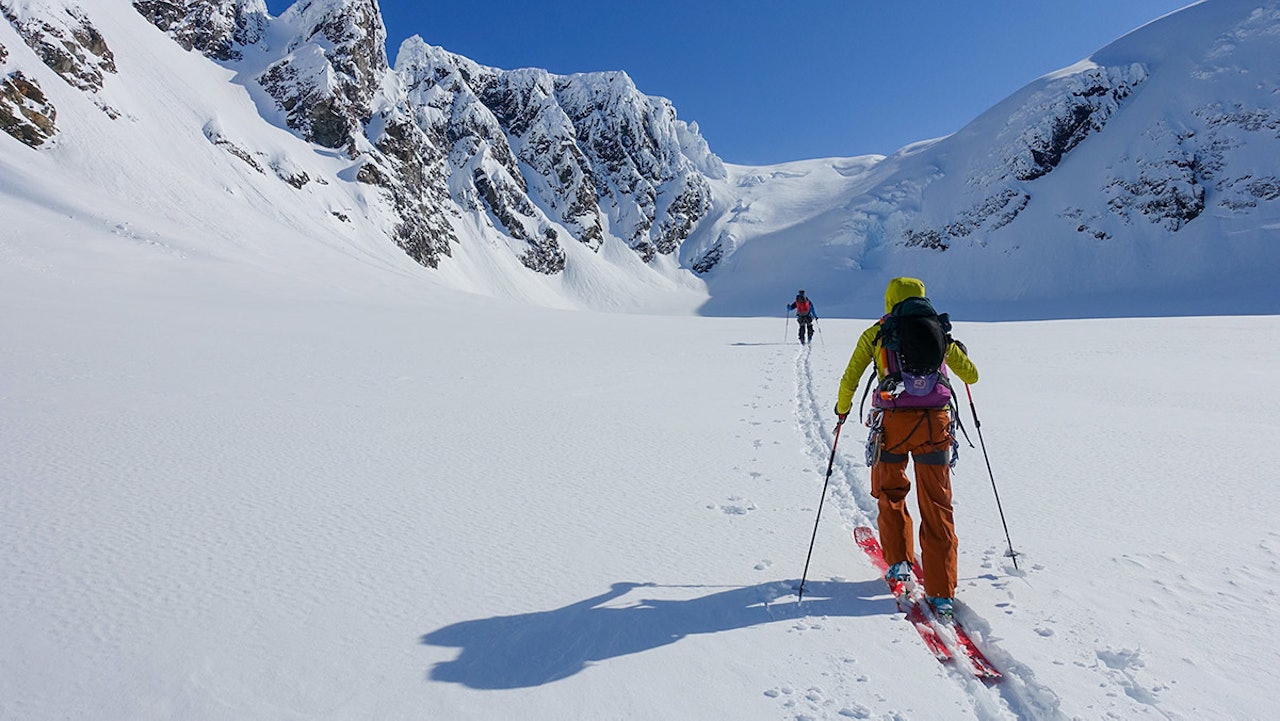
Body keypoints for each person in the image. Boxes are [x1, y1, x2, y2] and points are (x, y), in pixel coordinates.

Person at [833, 277, 978, 616]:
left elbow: (850, 377)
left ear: (890, 300)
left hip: (892, 424)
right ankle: (942, 592)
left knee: (891, 492)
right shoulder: (939, 331)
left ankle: (899, 563)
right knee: (937, 503)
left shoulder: (877, 333)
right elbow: (971, 376)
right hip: (936, 425)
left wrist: (842, 411)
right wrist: (958, 351)